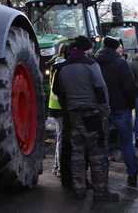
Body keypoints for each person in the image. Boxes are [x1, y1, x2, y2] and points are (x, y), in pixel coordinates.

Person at [53, 36, 120, 202]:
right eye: (90, 48)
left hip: (73, 114)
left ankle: (79, 189)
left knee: (77, 153)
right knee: (97, 154)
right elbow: (100, 88)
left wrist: (68, 108)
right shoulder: (91, 65)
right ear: (86, 49)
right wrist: (105, 111)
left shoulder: (61, 68)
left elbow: (58, 91)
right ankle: (101, 192)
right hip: (92, 115)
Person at [96, 36, 138, 187]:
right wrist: (131, 105)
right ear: (116, 48)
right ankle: (132, 174)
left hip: (101, 109)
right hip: (121, 108)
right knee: (127, 143)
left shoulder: (95, 62)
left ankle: (102, 178)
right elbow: (129, 87)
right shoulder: (121, 63)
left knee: (102, 145)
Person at [48, 43, 69, 177]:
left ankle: (56, 165)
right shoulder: (64, 66)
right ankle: (60, 167)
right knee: (62, 137)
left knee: (59, 136)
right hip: (61, 106)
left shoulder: (54, 64)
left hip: (53, 106)